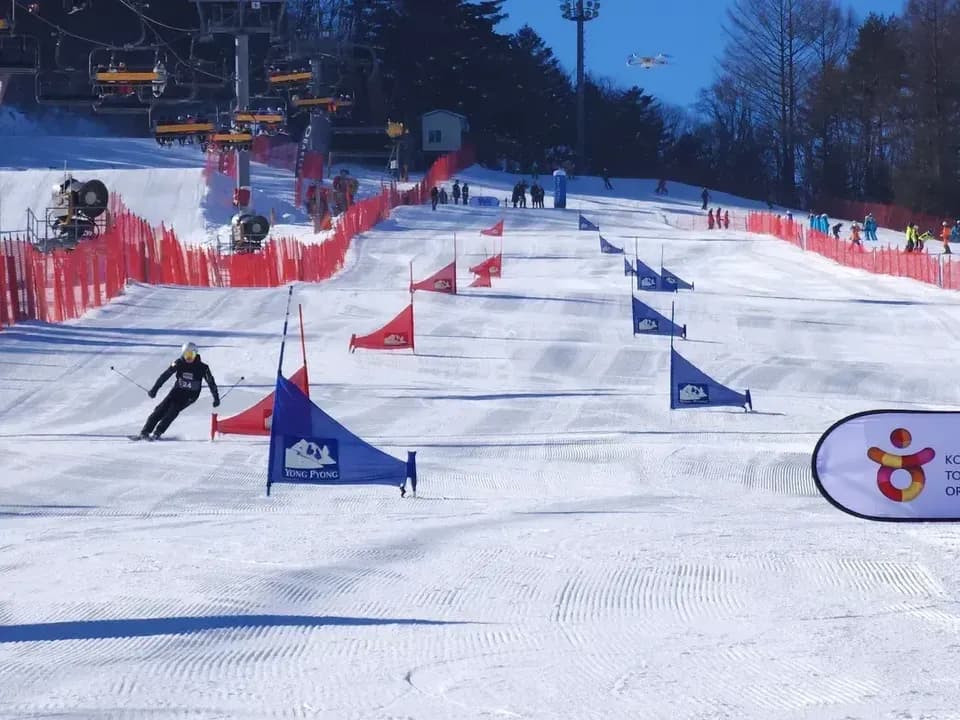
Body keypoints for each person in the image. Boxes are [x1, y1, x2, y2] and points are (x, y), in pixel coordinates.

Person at [137, 342, 220, 439]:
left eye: (191, 355)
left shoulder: (203, 368)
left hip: (191, 395)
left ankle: (158, 432)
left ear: (196, 354)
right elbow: (165, 375)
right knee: (160, 409)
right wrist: (154, 389)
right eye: (187, 355)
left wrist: (216, 397)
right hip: (177, 391)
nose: (189, 358)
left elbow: (211, 382)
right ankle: (145, 431)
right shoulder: (178, 363)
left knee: (173, 410)